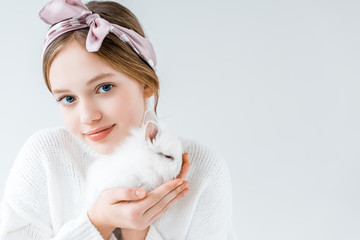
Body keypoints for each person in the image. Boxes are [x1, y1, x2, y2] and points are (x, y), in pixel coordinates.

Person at [0, 0, 237, 239]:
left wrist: (138, 232)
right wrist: (98, 223)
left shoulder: (202, 172)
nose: (88, 116)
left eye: (104, 87)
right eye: (68, 99)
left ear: (145, 82)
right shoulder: (45, 157)